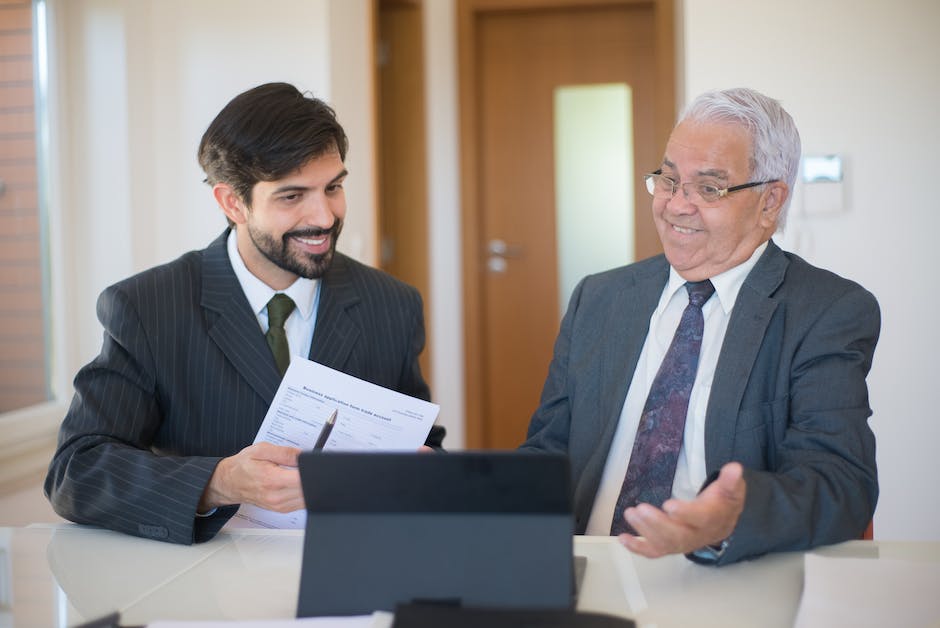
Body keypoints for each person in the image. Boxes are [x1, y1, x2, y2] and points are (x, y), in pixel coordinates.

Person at [44, 82, 444, 544]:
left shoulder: (392, 304)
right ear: (232, 202)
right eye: (292, 196)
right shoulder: (147, 307)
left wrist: (426, 470)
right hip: (204, 589)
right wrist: (219, 483)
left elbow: (424, 443)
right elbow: (76, 472)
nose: (326, 216)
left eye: (333, 187)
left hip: (350, 569)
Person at [520, 87, 879, 565]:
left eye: (708, 189)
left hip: (723, 573)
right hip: (587, 568)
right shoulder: (600, 299)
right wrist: (456, 489)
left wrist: (731, 519)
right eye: (668, 180)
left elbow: (838, 481)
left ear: (770, 202)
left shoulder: (825, 311)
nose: (676, 205)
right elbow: (548, 453)